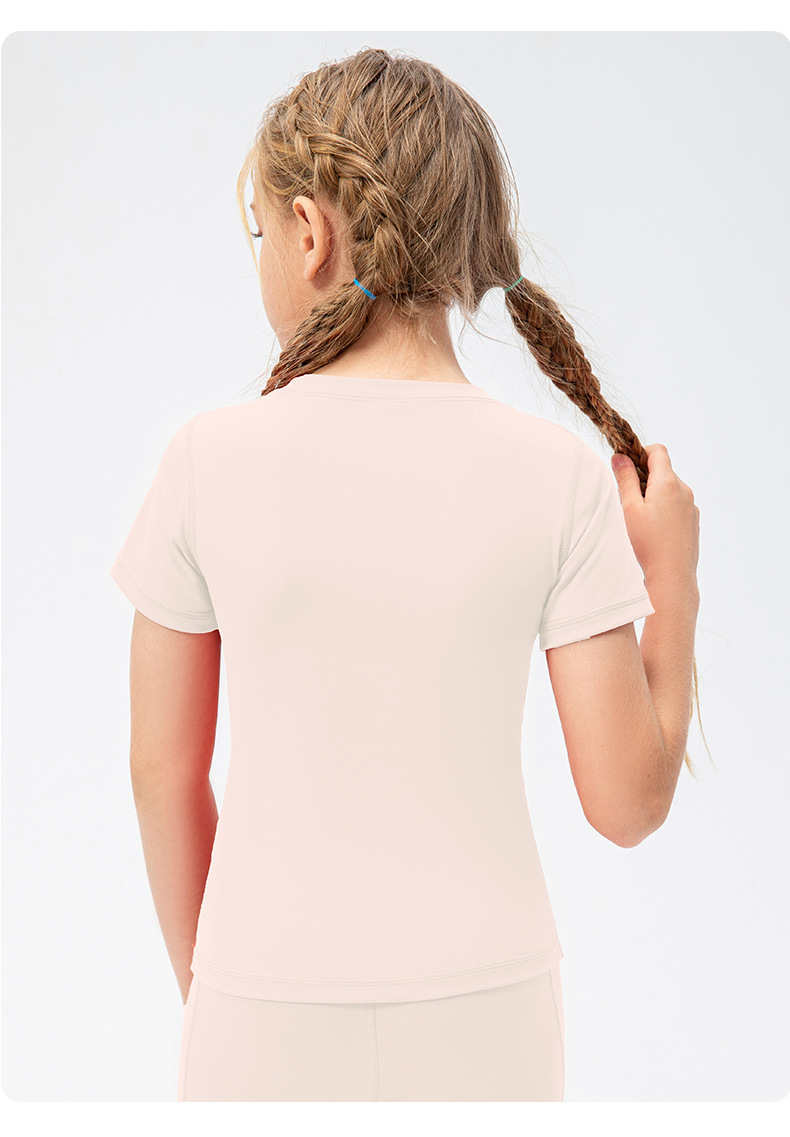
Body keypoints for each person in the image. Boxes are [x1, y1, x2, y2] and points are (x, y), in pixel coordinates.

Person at [110, 47, 701, 1102]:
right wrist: (675, 581)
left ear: (308, 233)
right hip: (491, 1011)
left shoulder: (206, 459)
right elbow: (627, 801)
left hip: (260, 1004)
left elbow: (163, 771)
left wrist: (222, 993)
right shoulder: (556, 474)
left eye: (260, 234)